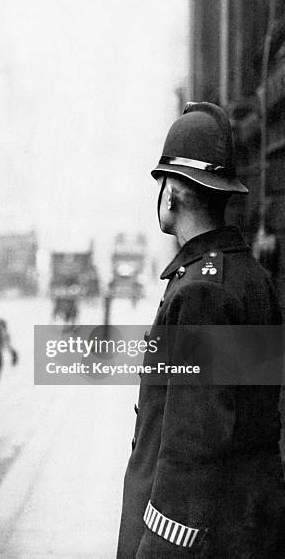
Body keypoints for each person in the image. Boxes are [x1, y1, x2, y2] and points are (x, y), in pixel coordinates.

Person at [117, 102, 285, 557]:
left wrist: (158, 548)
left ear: (172, 192)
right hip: (249, 521)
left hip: (209, 536)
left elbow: (194, 443)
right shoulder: (248, 276)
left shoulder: (200, 294)